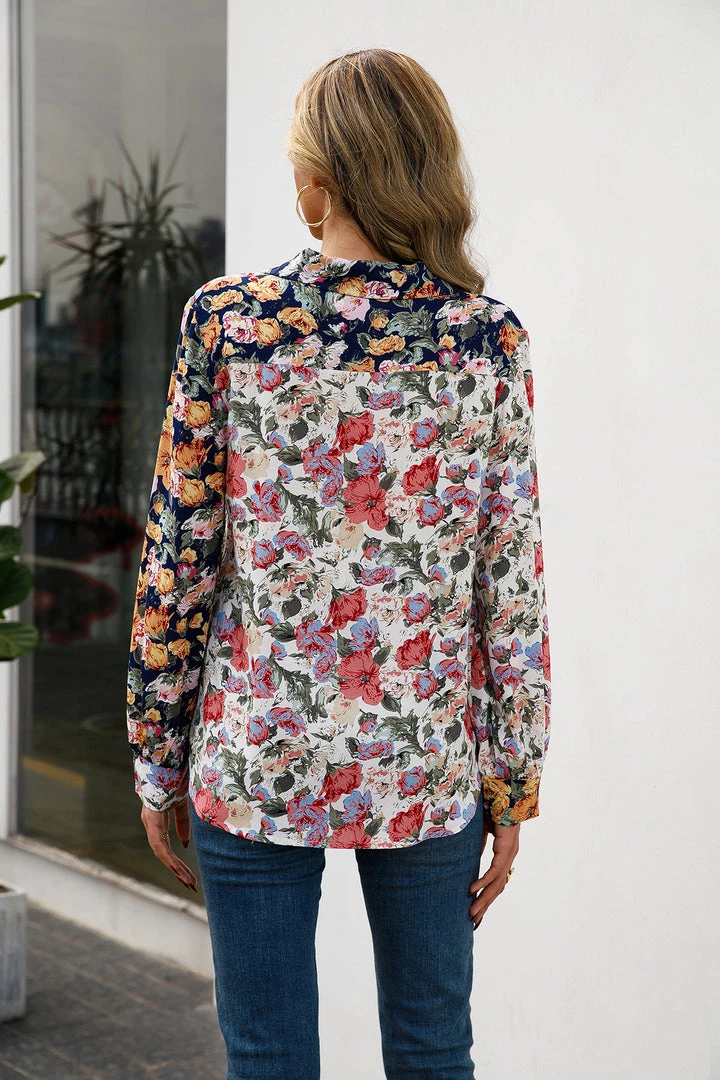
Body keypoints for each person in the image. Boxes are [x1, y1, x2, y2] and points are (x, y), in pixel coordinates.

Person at [126, 46, 551, 1080]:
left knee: (267, 1057)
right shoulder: (485, 341)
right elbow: (510, 586)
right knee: (433, 1050)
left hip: (256, 754)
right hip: (426, 764)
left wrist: (156, 753)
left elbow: (179, 558)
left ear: (317, 180)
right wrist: (514, 783)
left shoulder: (231, 325)